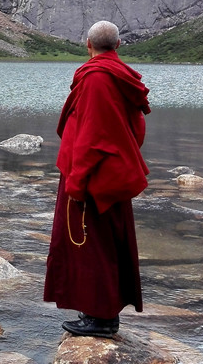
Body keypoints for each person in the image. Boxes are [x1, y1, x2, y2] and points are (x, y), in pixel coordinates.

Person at [43, 20, 151, 338]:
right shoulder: (122, 76)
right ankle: (100, 310)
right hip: (112, 173)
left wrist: (77, 183)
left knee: (92, 245)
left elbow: (91, 137)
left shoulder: (95, 79)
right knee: (108, 243)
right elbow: (135, 128)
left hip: (93, 178)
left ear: (87, 45)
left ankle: (102, 319)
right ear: (118, 46)